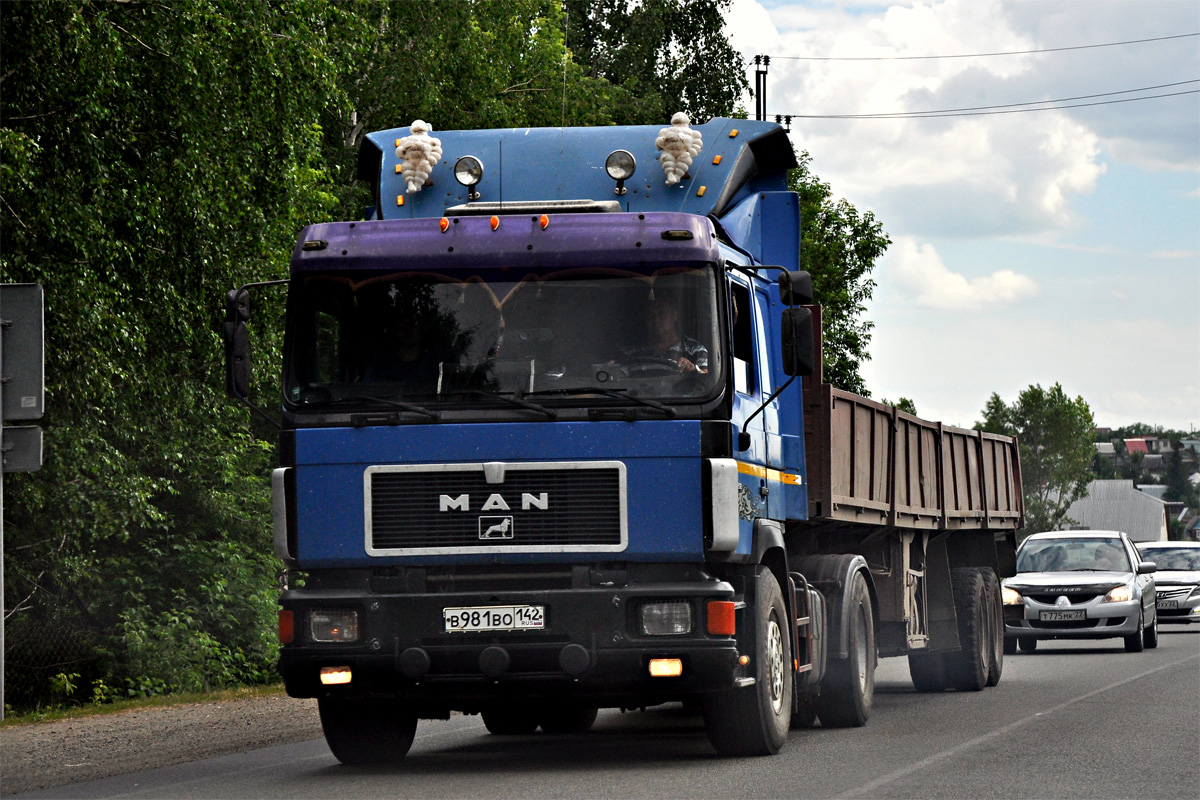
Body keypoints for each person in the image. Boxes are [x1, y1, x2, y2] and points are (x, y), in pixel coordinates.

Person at [619, 294, 708, 374]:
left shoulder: (695, 350)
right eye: (651, 315)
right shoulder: (630, 352)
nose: (656, 319)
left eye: (662, 314)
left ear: (674, 316)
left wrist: (692, 369)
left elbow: (707, 380)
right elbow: (612, 375)